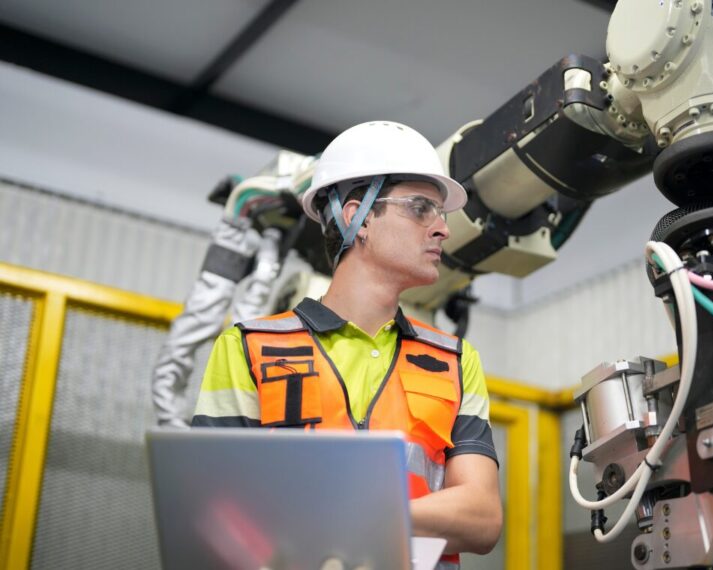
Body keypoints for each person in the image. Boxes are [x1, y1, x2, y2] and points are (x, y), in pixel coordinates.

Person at [192, 121, 503, 566]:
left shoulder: (453, 360)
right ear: (358, 217)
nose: (442, 230)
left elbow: (483, 518)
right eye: (420, 208)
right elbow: (214, 517)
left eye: (441, 213)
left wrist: (346, 519)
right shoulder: (249, 347)